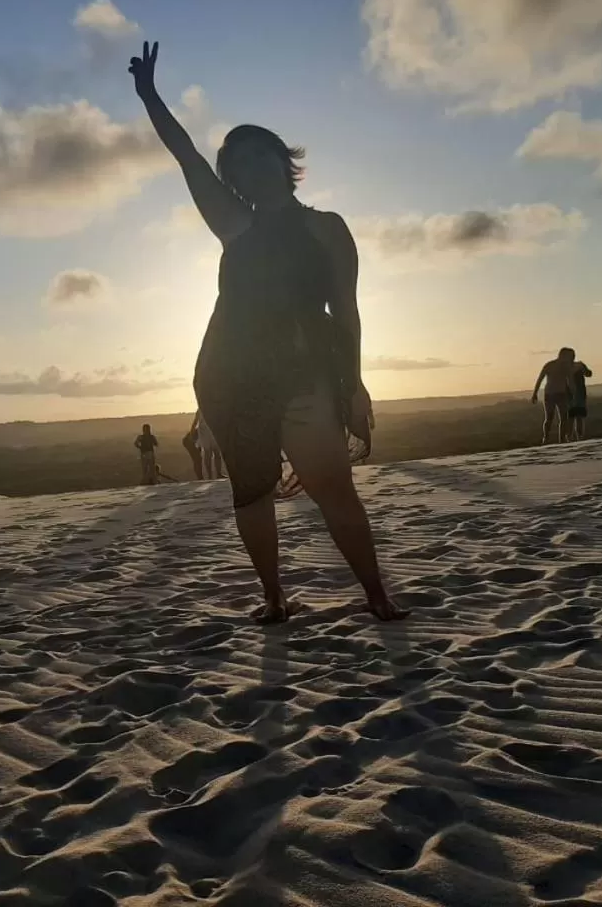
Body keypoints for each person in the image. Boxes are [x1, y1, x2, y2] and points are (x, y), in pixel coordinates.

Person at [130, 41, 404, 622]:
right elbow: (185, 156)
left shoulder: (328, 229)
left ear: (284, 160)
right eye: (236, 165)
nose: (249, 168)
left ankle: (377, 594)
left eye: (259, 155)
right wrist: (150, 96)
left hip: (306, 372)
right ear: (233, 181)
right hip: (231, 376)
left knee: (334, 488)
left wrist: (353, 385)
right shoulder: (233, 223)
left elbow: (348, 312)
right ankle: (274, 600)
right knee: (251, 492)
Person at [531, 348, 576, 445]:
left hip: (561, 394)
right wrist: (535, 393)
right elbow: (540, 379)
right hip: (550, 394)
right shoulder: (550, 365)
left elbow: (570, 381)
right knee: (549, 418)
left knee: (564, 417)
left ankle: (562, 439)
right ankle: (546, 438)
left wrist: (572, 393)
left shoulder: (565, 367)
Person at [568, 358, 594, 441]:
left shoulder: (578, 365)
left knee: (577, 416)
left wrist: (583, 369)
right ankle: (571, 436)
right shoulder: (566, 367)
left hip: (578, 393)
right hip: (571, 394)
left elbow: (588, 374)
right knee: (572, 416)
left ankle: (577, 436)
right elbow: (588, 374)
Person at [197, 412, 224, 480]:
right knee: (208, 453)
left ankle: (218, 474)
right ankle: (210, 475)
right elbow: (196, 420)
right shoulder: (201, 409)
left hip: (213, 429)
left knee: (216, 452)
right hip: (205, 430)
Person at [183, 415, 204, 481]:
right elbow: (194, 425)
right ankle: (200, 477)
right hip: (190, 441)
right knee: (197, 459)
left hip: (193, 440)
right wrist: (192, 439)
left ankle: (200, 476)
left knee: (198, 459)